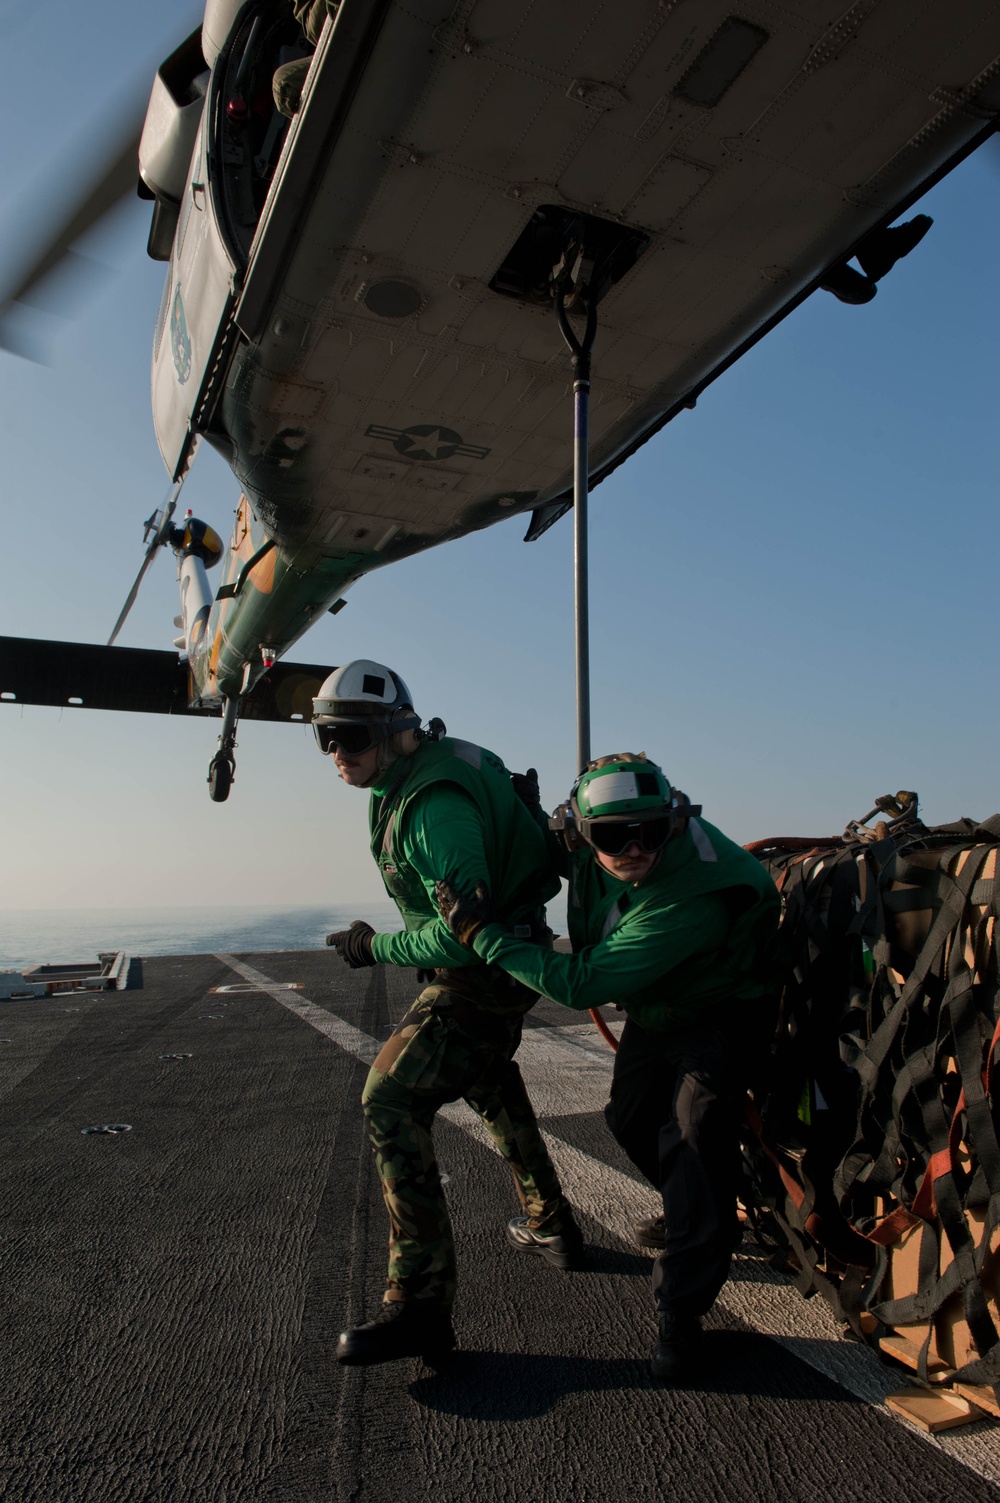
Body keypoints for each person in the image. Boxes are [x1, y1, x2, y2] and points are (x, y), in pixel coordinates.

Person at [435, 752, 780, 1383]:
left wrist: (483, 933)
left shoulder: (690, 895)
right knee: (628, 1119)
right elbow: (534, 841)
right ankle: (706, 1208)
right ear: (579, 833)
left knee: (693, 1142)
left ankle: (682, 1316)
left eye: (648, 831)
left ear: (673, 823)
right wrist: (515, 810)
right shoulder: (592, 841)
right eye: (610, 836)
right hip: (659, 1004)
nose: (632, 849)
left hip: (721, 1010)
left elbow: (580, 982)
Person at [313, 660, 582, 1366]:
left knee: (391, 1095)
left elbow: (466, 924)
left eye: (350, 736)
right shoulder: (423, 770)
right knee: (488, 1073)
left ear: (396, 731)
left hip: (484, 968)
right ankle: (552, 1220)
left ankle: (421, 1304)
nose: (338, 753)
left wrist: (375, 945)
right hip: (496, 963)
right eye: (326, 738)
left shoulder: (432, 803)